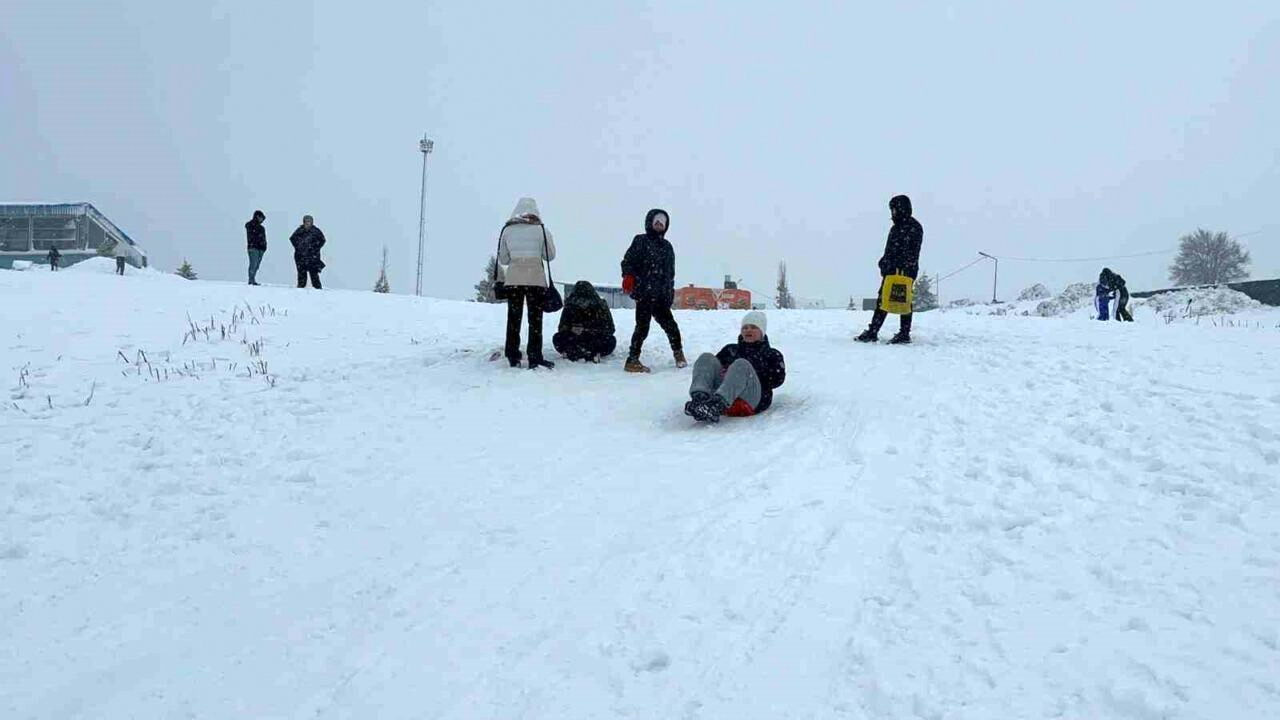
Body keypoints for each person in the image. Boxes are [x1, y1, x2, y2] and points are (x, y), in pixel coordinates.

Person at [685, 311, 786, 424]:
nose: (748, 330)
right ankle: (700, 400)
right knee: (706, 358)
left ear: (762, 332)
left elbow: (777, 380)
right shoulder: (730, 349)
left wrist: (753, 370)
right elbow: (712, 370)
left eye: (753, 327)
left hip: (750, 399)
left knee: (741, 364)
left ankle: (716, 405)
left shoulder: (771, 354)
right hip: (722, 396)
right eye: (745, 328)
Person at [621, 208, 685, 373]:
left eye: (662, 223)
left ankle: (679, 355)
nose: (659, 225)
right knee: (642, 327)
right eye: (656, 222)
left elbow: (670, 274)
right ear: (650, 223)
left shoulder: (667, 247)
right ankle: (632, 360)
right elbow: (628, 262)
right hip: (644, 294)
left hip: (661, 296)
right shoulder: (640, 241)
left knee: (671, 326)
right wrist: (628, 276)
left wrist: (669, 294)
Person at [498, 197, 557, 369]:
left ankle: (512, 355)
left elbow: (503, 259)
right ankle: (534, 357)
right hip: (535, 279)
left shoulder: (507, 230)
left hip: (514, 279)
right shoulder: (541, 230)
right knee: (535, 320)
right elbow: (550, 256)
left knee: (513, 319)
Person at [856, 195, 924, 344]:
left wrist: (888, 264)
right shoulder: (907, 227)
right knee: (898, 300)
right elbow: (894, 250)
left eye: (894, 209)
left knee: (888, 299)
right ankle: (900, 333)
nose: (892, 213)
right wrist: (885, 262)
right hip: (902, 270)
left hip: (899, 271)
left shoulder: (907, 227)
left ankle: (878, 331)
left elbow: (902, 251)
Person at [553, 281, 617, 362]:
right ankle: (589, 353)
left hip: (593, 340)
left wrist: (589, 330)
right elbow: (562, 327)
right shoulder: (570, 305)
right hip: (576, 339)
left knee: (610, 340)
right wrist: (571, 329)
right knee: (558, 337)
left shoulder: (600, 305)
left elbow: (610, 328)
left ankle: (575, 352)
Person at [290, 215, 326, 289]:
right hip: (300, 256)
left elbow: (322, 240)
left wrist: (314, 247)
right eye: (306, 221)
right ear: (304, 222)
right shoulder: (299, 230)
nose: (308, 223)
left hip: (313, 257)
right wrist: (299, 247)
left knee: (314, 274)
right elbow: (292, 239)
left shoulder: (316, 231)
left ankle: (318, 290)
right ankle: (300, 288)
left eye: (309, 221)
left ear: (312, 222)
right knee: (301, 274)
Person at [245, 210, 267, 285]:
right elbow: (252, 233)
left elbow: (263, 238)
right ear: (257, 216)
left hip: (261, 249)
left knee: (256, 265)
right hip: (253, 248)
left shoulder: (261, 228)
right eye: (261, 218)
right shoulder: (250, 225)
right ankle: (251, 280)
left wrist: (264, 246)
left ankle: (252, 279)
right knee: (253, 264)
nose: (262, 220)